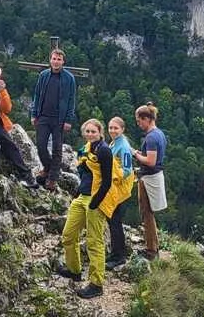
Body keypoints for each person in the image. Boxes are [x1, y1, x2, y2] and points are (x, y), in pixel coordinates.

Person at [56, 119, 119, 300]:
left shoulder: (104, 151)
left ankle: (96, 284)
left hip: (95, 199)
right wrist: (77, 194)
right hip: (82, 196)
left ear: (100, 132)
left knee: (94, 241)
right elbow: (84, 175)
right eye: (87, 131)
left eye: (93, 131)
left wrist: (95, 202)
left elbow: (106, 181)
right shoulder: (87, 149)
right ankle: (74, 270)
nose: (90, 134)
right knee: (68, 235)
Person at [29, 48, 77, 191]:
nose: (56, 62)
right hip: (43, 116)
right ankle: (48, 168)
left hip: (59, 119)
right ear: (50, 60)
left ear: (63, 61)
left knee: (57, 148)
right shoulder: (43, 75)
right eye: (54, 59)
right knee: (41, 145)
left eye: (59, 59)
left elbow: (71, 100)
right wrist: (34, 114)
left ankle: (52, 178)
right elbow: (37, 95)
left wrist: (68, 119)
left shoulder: (69, 78)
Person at [132, 102, 168, 260]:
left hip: (149, 178)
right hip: (154, 176)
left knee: (147, 213)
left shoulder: (151, 137)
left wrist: (136, 154)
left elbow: (151, 161)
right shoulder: (159, 133)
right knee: (148, 213)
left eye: (139, 121)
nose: (138, 124)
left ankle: (151, 250)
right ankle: (153, 246)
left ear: (147, 119)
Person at [105, 116, 137, 269]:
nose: (112, 131)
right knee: (113, 222)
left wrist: (111, 176)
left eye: (115, 128)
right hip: (115, 188)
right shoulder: (114, 142)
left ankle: (119, 256)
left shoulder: (123, 146)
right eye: (110, 128)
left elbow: (126, 170)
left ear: (122, 129)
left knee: (115, 222)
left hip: (120, 189)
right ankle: (115, 253)